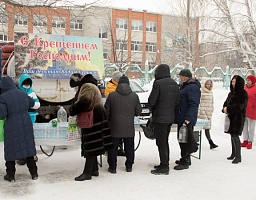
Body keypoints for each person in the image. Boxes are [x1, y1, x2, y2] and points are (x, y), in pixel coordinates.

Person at [69, 74, 113, 181]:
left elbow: (85, 102)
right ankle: (94, 170)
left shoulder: (87, 87)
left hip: (92, 120)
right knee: (94, 144)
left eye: (75, 86)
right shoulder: (91, 85)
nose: (75, 89)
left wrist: (73, 109)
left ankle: (87, 173)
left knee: (91, 145)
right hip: (96, 118)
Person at [0, 76, 38, 182]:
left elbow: (2, 115)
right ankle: (34, 173)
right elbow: (33, 104)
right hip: (26, 123)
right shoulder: (22, 93)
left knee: (11, 150)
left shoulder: (3, 97)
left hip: (12, 124)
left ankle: (10, 175)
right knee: (29, 148)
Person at [104, 75, 142, 173]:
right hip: (129, 127)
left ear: (118, 84)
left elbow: (106, 112)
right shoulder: (134, 96)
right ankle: (129, 166)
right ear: (128, 84)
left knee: (113, 147)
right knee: (129, 147)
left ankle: (112, 167)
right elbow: (138, 111)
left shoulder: (112, 95)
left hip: (114, 126)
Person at [148, 64, 180, 175]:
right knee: (165, 141)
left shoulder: (158, 84)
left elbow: (152, 101)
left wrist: (152, 108)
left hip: (160, 118)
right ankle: (164, 162)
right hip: (170, 118)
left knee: (161, 142)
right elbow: (177, 102)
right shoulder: (175, 84)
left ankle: (164, 166)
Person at [174, 69, 201, 170]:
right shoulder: (185, 86)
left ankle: (185, 161)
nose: (180, 78)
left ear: (184, 77)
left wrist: (188, 118)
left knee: (185, 140)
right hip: (182, 118)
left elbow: (194, 104)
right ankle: (185, 158)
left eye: (180, 76)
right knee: (182, 139)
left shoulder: (192, 88)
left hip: (186, 119)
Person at [223, 75, 248, 164]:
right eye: (232, 82)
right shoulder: (231, 93)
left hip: (238, 117)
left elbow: (240, 106)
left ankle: (238, 156)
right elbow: (226, 103)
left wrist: (228, 109)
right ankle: (233, 153)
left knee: (235, 135)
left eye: (235, 82)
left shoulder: (243, 93)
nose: (233, 84)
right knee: (232, 135)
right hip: (230, 117)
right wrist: (224, 108)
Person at [17, 73, 41, 165]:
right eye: (25, 83)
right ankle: (21, 157)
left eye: (28, 84)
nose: (26, 86)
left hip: (31, 117)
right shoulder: (18, 92)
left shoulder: (32, 92)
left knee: (30, 137)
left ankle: (32, 155)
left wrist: (30, 104)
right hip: (21, 118)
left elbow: (37, 104)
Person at [104, 71, 125, 157]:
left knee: (120, 133)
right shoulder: (111, 87)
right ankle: (112, 150)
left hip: (120, 113)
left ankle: (119, 149)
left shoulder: (116, 86)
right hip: (113, 114)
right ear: (117, 79)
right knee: (114, 134)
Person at [198, 78, 218, 149]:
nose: (209, 86)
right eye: (207, 84)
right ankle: (196, 142)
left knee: (207, 128)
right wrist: (199, 111)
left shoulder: (210, 92)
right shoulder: (201, 92)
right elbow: (199, 102)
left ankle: (210, 142)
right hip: (202, 112)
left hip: (208, 112)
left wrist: (212, 110)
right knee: (198, 128)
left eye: (210, 84)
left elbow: (212, 102)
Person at [241, 75, 256, 149]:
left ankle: (250, 141)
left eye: (249, 80)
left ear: (253, 81)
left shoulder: (255, 88)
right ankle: (245, 140)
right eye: (247, 80)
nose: (247, 81)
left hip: (253, 111)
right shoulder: (244, 88)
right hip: (244, 110)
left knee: (251, 128)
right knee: (244, 126)